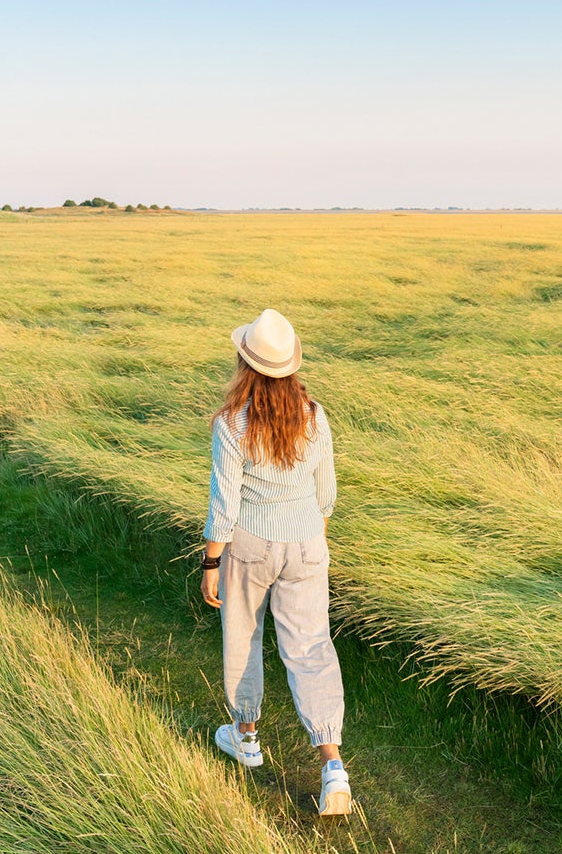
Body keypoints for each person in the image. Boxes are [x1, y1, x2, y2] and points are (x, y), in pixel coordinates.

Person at [200, 307, 350, 816]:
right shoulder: (314, 415)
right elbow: (325, 494)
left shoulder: (231, 423)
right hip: (307, 543)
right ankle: (333, 767)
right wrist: (313, 545)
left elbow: (224, 506)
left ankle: (245, 738)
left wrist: (211, 564)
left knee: (243, 636)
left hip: (251, 543)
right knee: (311, 648)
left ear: (246, 365)